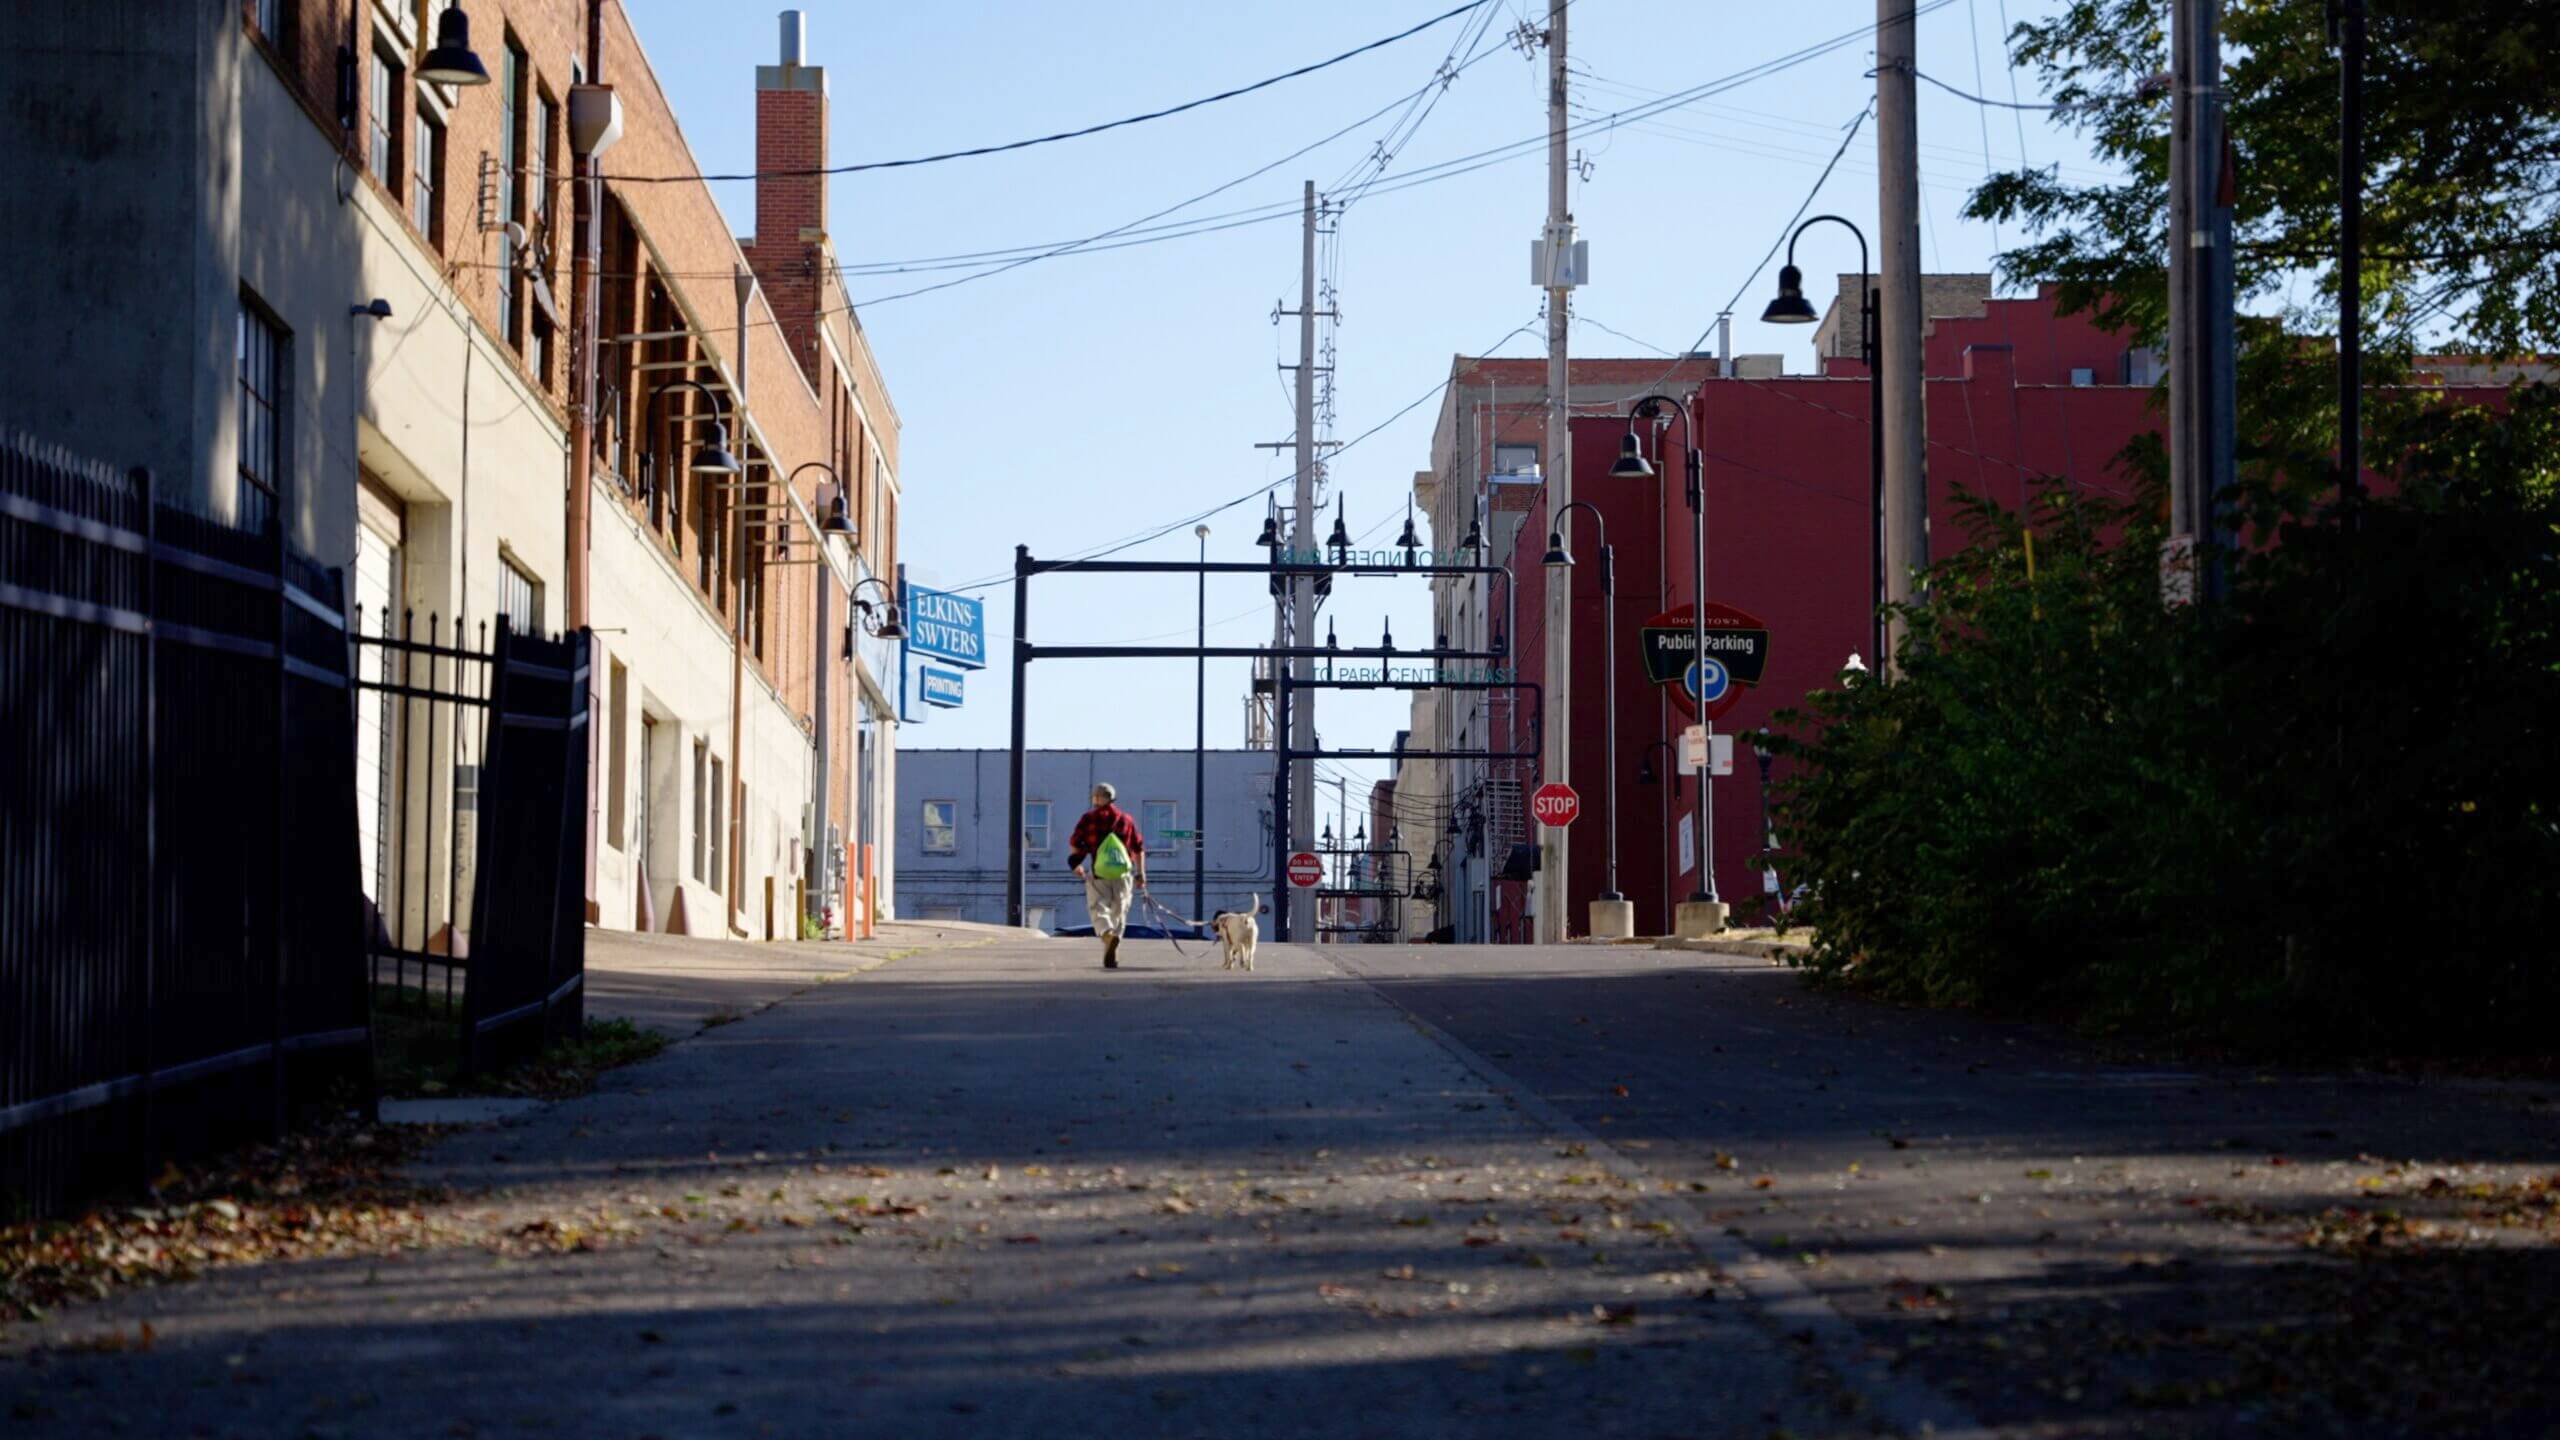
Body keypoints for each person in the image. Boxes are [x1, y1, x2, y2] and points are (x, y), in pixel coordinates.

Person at [1067, 782, 1147, 969]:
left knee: (1098, 907)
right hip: (1123, 875)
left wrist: (1076, 864)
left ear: (1097, 798)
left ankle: (1106, 934)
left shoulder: (1089, 818)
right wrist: (1140, 874)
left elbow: (1075, 842)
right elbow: (1139, 848)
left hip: (1099, 873)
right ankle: (1113, 946)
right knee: (1119, 912)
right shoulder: (1126, 820)